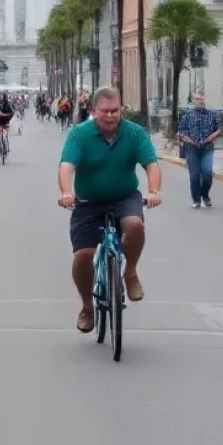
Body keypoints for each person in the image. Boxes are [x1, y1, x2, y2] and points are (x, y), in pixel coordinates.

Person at [58, 86, 162, 334]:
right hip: (88, 201)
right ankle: (86, 307)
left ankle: (130, 273)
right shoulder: (79, 134)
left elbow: (151, 164)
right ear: (94, 111)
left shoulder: (135, 133)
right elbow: (66, 166)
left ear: (121, 109)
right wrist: (66, 193)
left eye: (115, 110)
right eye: (104, 111)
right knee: (83, 256)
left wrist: (154, 191)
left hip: (124, 196)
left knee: (135, 224)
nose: (110, 116)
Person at [177, 91, 222, 208]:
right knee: (194, 175)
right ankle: (196, 199)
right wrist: (189, 140)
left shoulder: (212, 114)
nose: (199, 101)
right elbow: (181, 131)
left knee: (207, 174)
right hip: (192, 148)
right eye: (196, 99)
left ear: (204, 99)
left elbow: (219, 129)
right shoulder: (187, 115)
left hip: (207, 148)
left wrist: (208, 139)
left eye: (201, 99)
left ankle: (205, 195)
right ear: (193, 101)